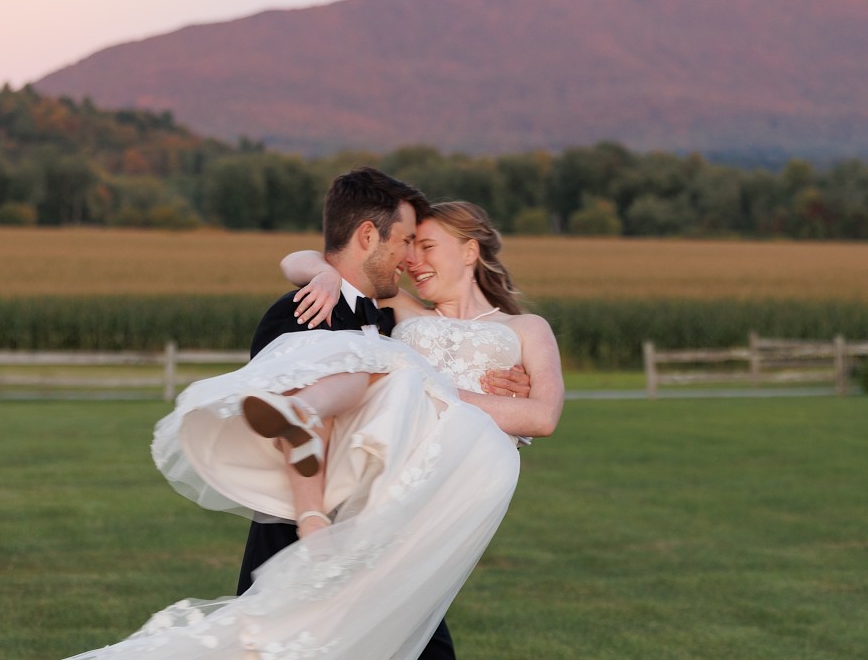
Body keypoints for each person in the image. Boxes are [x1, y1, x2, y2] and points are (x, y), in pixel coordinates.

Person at [61, 176, 563, 660]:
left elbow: (540, 415)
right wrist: (322, 271)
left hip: (412, 512)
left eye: (425, 246)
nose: (413, 260)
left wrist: (471, 394)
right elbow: (317, 266)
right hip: (332, 512)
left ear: (470, 250)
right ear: (372, 236)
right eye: (409, 244)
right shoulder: (387, 311)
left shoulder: (520, 328)